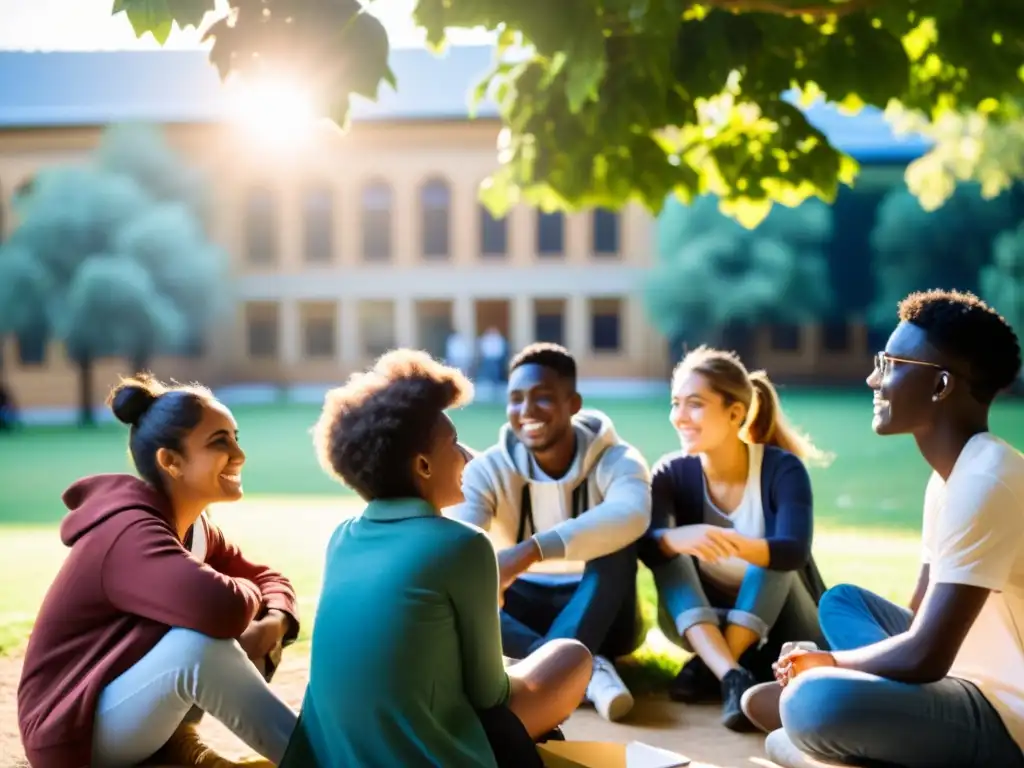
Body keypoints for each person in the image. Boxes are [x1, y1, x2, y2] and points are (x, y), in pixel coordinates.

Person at [280, 349, 592, 768]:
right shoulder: (462, 545)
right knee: (571, 656)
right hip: (428, 756)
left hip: (335, 756)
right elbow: (489, 694)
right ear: (423, 465)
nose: (467, 454)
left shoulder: (341, 538)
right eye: (454, 443)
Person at [766, 289, 1024, 768]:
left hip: (1007, 714)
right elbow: (919, 618)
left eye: (890, 363)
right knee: (842, 602)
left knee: (809, 704)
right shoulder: (950, 477)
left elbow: (925, 657)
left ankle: (828, 726)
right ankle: (842, 731)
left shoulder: (987, 480)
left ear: (941, 384)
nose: (872, 378)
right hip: (960, 675)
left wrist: (830, 666)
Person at [17, 374, 299, 768]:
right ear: (171, 461)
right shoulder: (129, 532)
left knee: (203, 634)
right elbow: (222, 608)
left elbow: (271, 579)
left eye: (236, 436)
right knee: (197, 646)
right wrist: (248, 601)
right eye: (220, 442)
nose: (239, 454)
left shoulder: (194, 530)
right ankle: (321, 758)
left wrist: (274, 622)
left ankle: (181, 750)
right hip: (70, 734)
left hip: (123, 714)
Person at [448, 342, 651, 722]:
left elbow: (633, 515)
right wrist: (485, 574)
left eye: (542, 398)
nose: (526, 411)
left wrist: (528, 551)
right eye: (516, 399)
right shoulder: (488, 469)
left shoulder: (618, 458)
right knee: (457, 585)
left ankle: (548, 670)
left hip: (604, 611)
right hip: (521, 608)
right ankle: (588, 672)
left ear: (573, 404)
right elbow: (457, 545)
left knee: (618, 546)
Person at [638, 346, 830, 731]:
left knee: (770, 556)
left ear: (735, 413)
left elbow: (793, 550)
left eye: (695, 404)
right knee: (668, 552)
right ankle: (732, 673)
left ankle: (717, 668)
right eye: (676, 403)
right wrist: (678, 538)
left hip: (787, 624)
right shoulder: (671, 473)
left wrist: (734, 541)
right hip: (700, 621)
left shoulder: (781, 468)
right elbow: (645, 545)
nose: (680, 417)